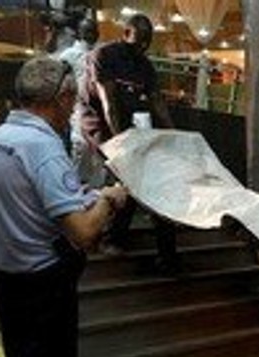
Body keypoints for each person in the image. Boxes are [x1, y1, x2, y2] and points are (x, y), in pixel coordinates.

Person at [0, 56, 128, 357]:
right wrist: (108, 198)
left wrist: (82, 193)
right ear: (61, 98)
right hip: (44, 290)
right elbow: (82, 232)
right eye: (72, 102)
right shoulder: (42, 148)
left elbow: (32, 203)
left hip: (8, 285)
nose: (73, 109)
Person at [79, 13, 178, 272]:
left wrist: (174, 135)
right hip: (99, 122)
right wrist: (122, 144)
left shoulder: (143, 64)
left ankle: (147, 245)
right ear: (126, 33)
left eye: (148, 42)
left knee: (137, 175)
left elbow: (157, 102)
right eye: (139, 40)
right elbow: (108, 102)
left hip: (132, 121)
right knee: (125, 174)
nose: (143, 47)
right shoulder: (105, 56)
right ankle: (110, 238)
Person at [56, 16, 104, 186]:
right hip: (77, 110)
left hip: (99, 111)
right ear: (79, 33)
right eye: (88, 30)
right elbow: (59, 80)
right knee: (80, 148)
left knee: (98, 155)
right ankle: (73, 190)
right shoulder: (69, 55)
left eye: (94, 30)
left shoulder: (102, 53)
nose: (92, 34)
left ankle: (95, 192)